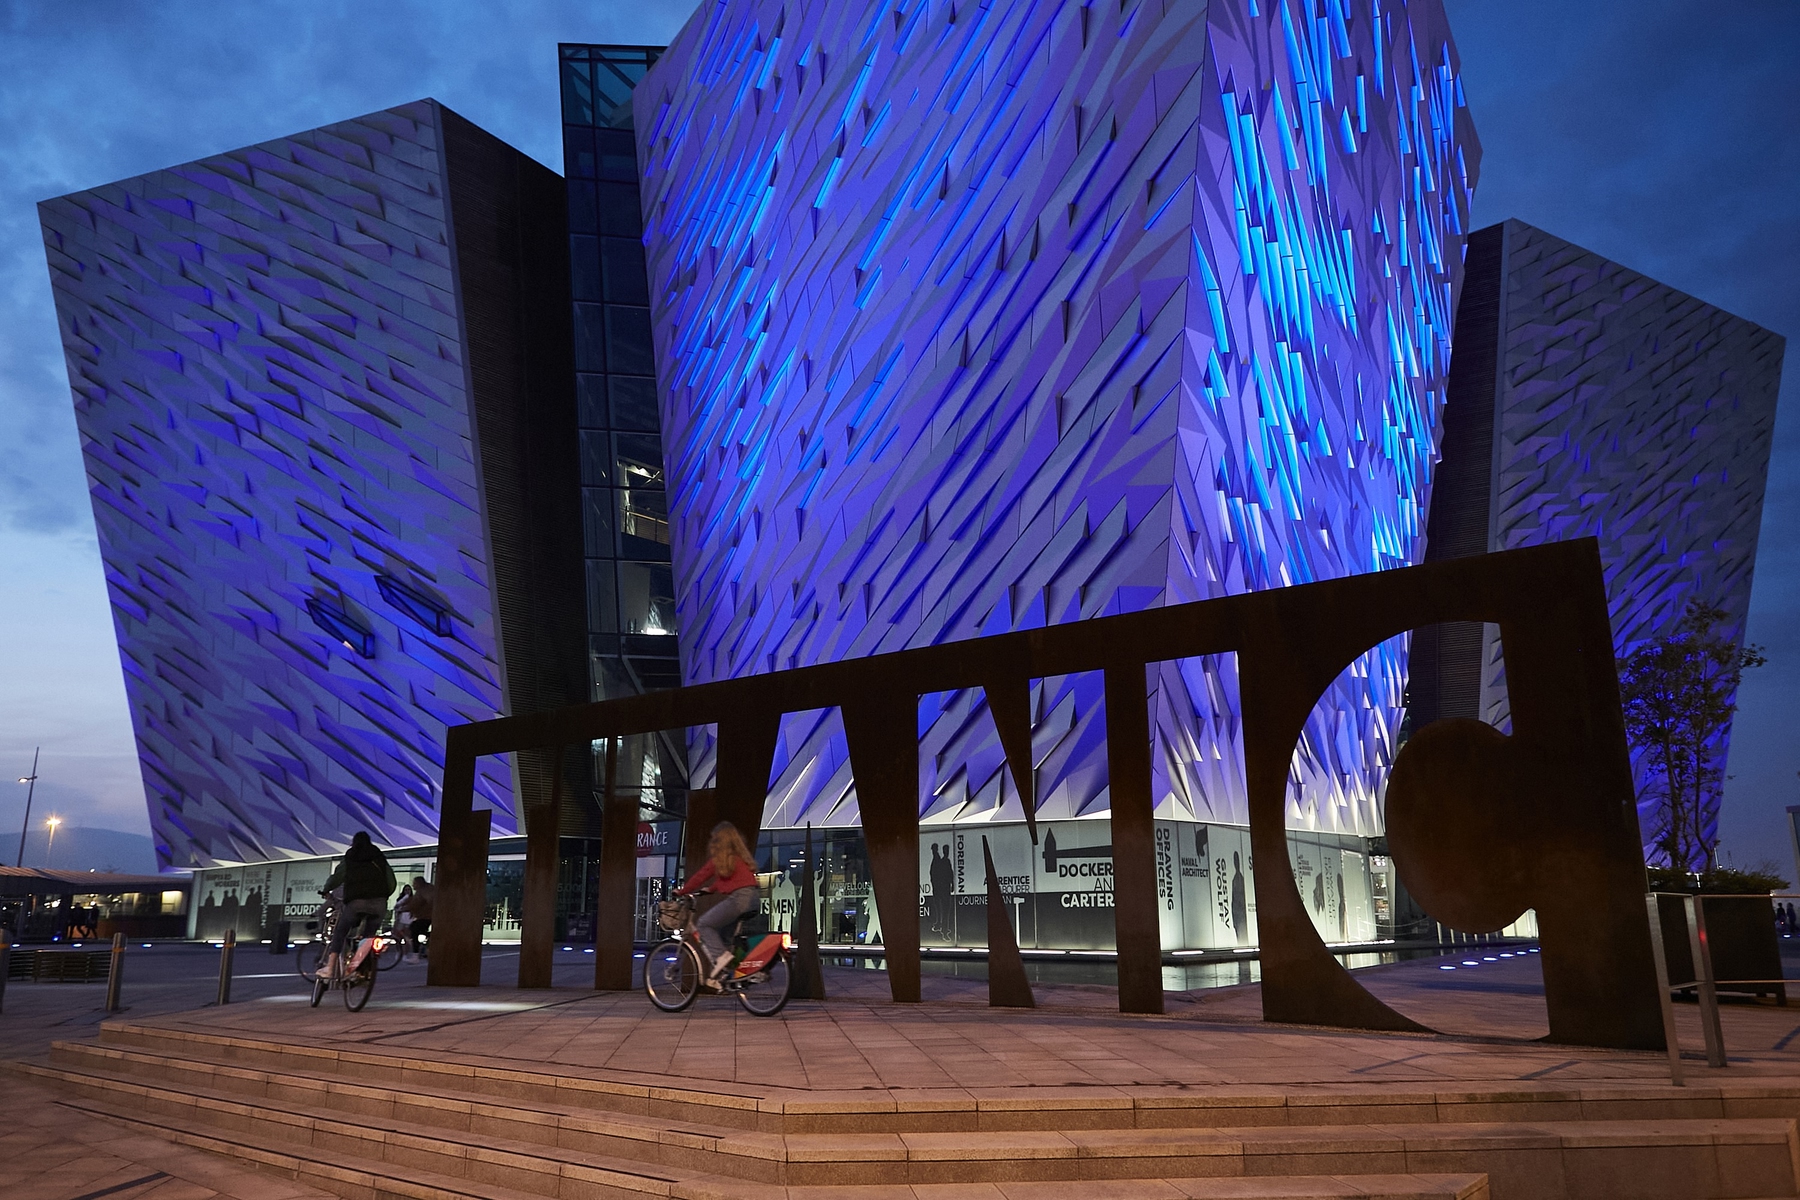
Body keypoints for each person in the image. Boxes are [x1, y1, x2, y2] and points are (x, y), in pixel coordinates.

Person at [674, 822, 759, 990]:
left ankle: (721, 959)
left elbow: (700, 876)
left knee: (704, 924)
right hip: (753, 899)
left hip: (739, 899)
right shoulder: (738, 857)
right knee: (725, 937)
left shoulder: (719, 859)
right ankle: (730, 975)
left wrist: (682, 891)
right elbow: (730, 880)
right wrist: (711, 889)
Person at [319, 832, 395, 980]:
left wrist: (326, 889)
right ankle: (362, 970)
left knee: (341, 931)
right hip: (379, 903)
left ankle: (330, 967)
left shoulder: (350, 857)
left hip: (356, 902)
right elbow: (391, 880)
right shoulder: (379, 857)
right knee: (368, 936)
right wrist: (384, 895)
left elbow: (337, 878)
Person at [395, 876, 433, 961]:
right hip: (430, 916)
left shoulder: (421, 892)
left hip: (425, 916)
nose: (413, 885)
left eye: (414, 883)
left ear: (419, 883)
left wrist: (402, 909)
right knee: (416, 929)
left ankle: (415, 955)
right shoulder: (430, 889)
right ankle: (429, 939)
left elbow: (415, 904)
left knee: (414, 930)